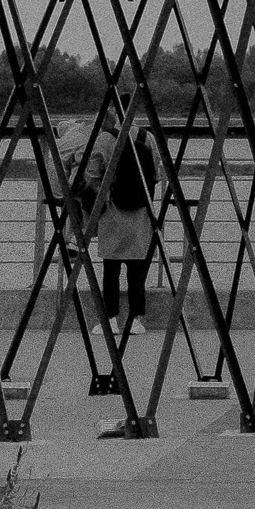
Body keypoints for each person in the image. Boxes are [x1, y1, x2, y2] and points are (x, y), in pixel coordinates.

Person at [91, 101, 160, 342]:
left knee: (111, 267)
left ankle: (110, 319)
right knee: (137, 268)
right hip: (140, 213)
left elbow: (92, 174)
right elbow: (156, 174)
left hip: (112, 210)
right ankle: (136, 319)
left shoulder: (104, 139)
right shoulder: (147, 137)